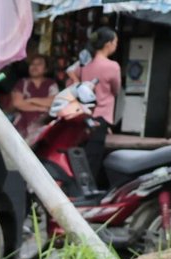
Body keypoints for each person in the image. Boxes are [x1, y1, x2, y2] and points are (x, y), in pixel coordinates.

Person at [67, 28, 120, 187]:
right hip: (101, 116)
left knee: (81, 154)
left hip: (84, 115)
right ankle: (87, 190)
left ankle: (74, 186)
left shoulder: (84, 63)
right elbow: (116, 90)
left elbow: (70, 74)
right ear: (108, 44)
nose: (116, 45)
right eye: (115, 42)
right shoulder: (112, 66)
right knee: (93, 158)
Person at [8, 55, 59, 143]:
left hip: (45, 126)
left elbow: (53, 102)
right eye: (32, 64)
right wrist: (42, 107)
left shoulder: (51, 84)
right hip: (22, 127)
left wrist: (30, 100)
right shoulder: (22, 83)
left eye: (39, 64)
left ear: (46, 69)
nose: (34, 67)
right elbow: (18, 103)